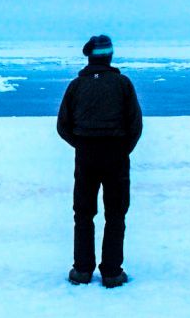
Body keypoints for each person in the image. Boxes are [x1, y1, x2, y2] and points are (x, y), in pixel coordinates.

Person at [57, 35, 142, 288]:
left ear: (90, 56)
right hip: (116, 154)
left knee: (83, 213)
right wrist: (121, 149)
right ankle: (112, 273)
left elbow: (63, 126)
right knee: (116, 213)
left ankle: (82, 270)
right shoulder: (123, 84)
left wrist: (83, 144)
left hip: (86, 155)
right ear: (110, 56)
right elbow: (135, 124)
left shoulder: (76, 86)